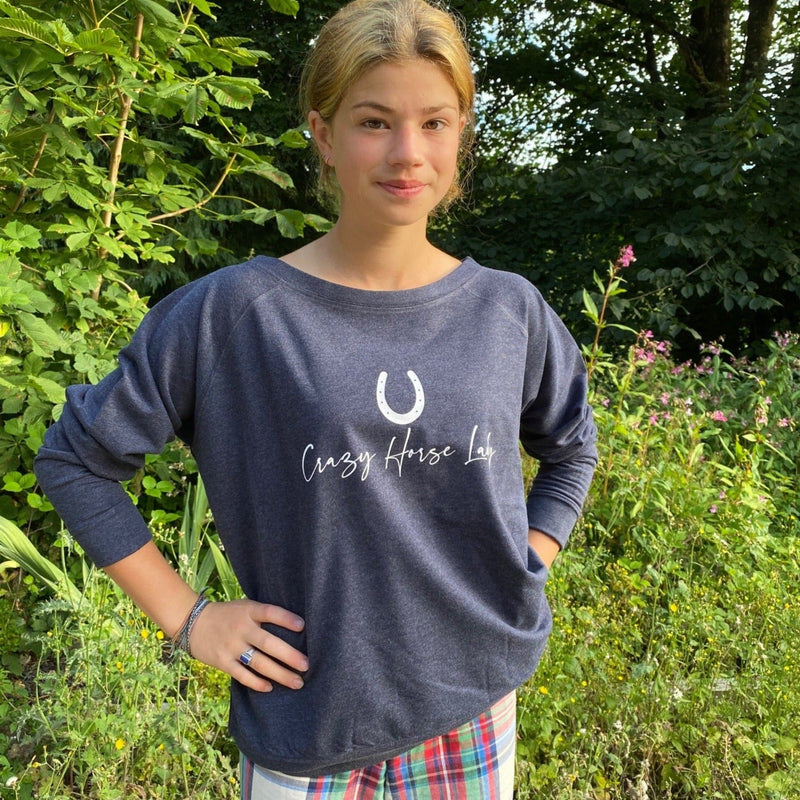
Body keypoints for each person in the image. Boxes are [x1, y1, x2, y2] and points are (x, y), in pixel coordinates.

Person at [34, 0, 597, 797]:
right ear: (324, 135)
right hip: (307, 724)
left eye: (434, 123)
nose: (408, 152)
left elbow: (572, 448)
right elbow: (74, 461)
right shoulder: (236, 315)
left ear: (461, 134)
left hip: (475, 709)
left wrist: (527, 561)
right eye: (374, 122)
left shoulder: (508, 311)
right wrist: (190, 619)